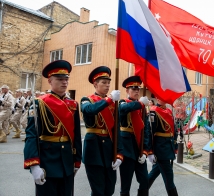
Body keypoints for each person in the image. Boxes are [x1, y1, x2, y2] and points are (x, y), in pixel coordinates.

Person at [23, 60, 82, 196]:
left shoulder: (72, 104)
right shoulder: (39, 103)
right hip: (47, 161)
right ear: (50, 81)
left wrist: (77, 160)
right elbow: (32, 135)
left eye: (66, 79)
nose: (64, 82)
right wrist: (34, 165)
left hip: (67, 161)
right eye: (60, 79)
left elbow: (76, 135)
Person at [81, 66, 123, 196]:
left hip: (109, 149)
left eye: (108, 82)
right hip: (94, 150)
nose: (107, 85)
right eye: (103, 82)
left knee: (109, 190)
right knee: (98, 190)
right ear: (95, 84)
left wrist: (119, 154)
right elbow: (89, 110)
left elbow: (117, 129)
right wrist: (109, 99)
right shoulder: (86, 100)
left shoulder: (113, 104)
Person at [118, 76, 151, 196]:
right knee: (126, 184)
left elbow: (146, 130)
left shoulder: (142, 107)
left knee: (145, 181)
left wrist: (146, 150)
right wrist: (141, 104)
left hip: (139, 148)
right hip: (127, 149)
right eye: (133, 89)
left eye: (138, 89)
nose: (137, 91)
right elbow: (125, 108)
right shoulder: (122, 102)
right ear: (127, 91)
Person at [147, 96, 178, 195]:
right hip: (160, 148)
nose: (161, 98)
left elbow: (174, 130)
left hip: (168, 146)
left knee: (154, 172)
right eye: (158, 97)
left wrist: (175, 146)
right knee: (169, 175)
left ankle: (142, 191)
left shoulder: (168, 111)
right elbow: (150, 133)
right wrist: (150, 151)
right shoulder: (153, 111)